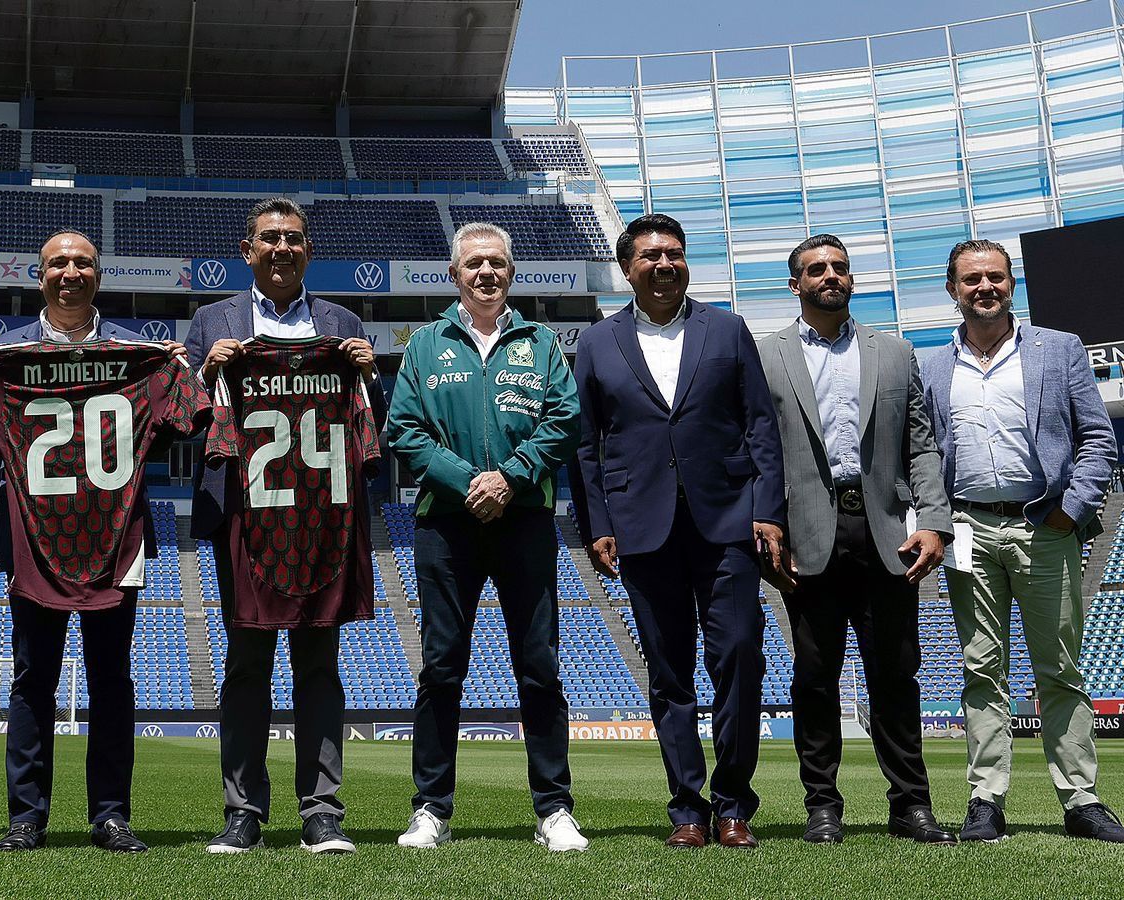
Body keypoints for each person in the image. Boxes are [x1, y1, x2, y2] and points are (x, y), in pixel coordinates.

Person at [0, 230, 177, 854]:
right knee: (33, 677)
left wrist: (170, 369)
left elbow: (172, 431)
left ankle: (111, 814)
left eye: (82, 263)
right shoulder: (7, 353)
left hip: (116, 538)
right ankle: (26, 815)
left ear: (99, 276)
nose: (70, 273)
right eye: (58, 264)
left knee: (113, 677)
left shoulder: (136, 351)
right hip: (34, 539)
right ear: (40, 275)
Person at [573, 213, 787, 849]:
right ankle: (689, 808)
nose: (663, 265)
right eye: (649, 257)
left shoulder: (726, 328)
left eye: (674, 254)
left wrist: (767, 508)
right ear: (627, 268)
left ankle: (733, 804)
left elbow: (760, 426)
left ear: (686, 260)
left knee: (741, 655)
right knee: (669, 673)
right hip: (642, 526)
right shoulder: (596, 342)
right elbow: (587, 445)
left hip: (727, 523)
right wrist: (598, 524)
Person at [185, 197, 381, 855]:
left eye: (294, 239)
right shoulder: (211, 320)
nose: (282, 248)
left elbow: (364, 422)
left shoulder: (341, 322)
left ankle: (321, 812)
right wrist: (207, 372)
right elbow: (181, 418)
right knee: (246, 664)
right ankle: (243, 810)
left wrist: (367, 374)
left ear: (307, 250)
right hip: (245, 515)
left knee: (319, 663)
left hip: (323, 517)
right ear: (248, 250)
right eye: (270, 238)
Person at [385, 222, 586, 852]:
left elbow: (565, 419)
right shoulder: (424, 344)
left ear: (511, 273)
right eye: (474, 264)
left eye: (497, 263)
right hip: (446, 522)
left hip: (525, 517)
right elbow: (404, 430)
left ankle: (554, 808)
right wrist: (472, 482)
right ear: (455, 275)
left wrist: (512, 478)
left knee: (539, 666)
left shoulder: (542, 342)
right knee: (443, 667)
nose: (486, 273)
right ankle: (430, 808)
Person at [921, 238, 1123, 843]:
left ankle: (1081, 799)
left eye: (996, 278)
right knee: (981, 667)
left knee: (1059, 668)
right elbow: (926, 453)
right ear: (953, 290)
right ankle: (986, 799)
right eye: (972, 279)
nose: (985, 288)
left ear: (1012, 285)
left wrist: (1072, 509)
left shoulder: (1056, 349)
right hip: (967, 527)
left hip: (1044, 526)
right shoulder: (930, 365)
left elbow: (1097, 437)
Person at [758, 234, 955, 845]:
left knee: (896, 675)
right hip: (806, 534)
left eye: (839, 268)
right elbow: (754, 451)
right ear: (796, 284)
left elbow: (919, 445)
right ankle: (822, 805)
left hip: (886, 532)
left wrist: (934, 520)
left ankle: (911, 805)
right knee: (814, 677)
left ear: (852, 278)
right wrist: (762, 524)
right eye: (816, 269)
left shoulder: (895, 353)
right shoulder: (766, 357)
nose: (830, 276)